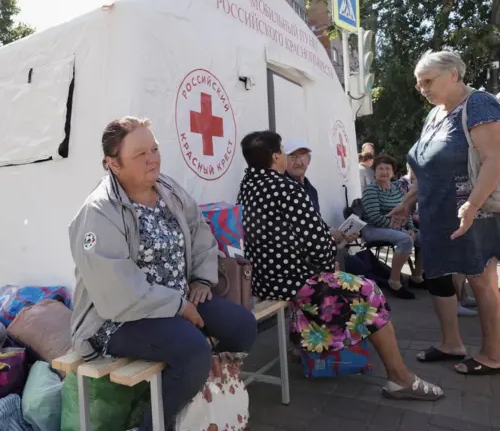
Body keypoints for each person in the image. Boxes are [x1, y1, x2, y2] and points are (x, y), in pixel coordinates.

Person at [68, 116, 258, 429]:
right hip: (118, 318)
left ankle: (204, 397)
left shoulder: (168, 189)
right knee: (193, 351)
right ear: (113, 164)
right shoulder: (99, 212)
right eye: (140, 154)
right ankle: (155, 422)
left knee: (242, 326)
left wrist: (200, 278)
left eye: (154, 149)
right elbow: (118, 291)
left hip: (177, 298)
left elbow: (199, 231)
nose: (152, 158)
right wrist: (180, 306)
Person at [237, 130, 443, 401]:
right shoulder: (285, 187)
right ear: (276, 157)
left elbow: (287, 233)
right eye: (286, 152)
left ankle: (312, 347)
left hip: (262, 278)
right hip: (291, 281)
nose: (293, 159)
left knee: (349, 283)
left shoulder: (249, 185)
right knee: (369, 291)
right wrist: (328, 264)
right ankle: (400, 378)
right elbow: (317, 242)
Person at [390, 50, 500, 374]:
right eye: (418, 83)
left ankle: (493, 356)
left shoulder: (478, 104)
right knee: (440, 276)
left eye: (428, 80)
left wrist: (473, 204)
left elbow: (495, 158)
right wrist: (409, 199)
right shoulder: (436, 113)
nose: (422, 88)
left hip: (472, 211)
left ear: (453, 74)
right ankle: (452, 344)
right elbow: (425, 164)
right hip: (439, 211)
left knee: (481, 280)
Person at [281, 139, 363, 272]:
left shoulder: (311, 189)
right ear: (283, 161)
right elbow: (299, 231)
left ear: (309, 161)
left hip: (317, 254)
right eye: (292, 157)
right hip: (296, 262)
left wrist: (341, 235)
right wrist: (331, 237)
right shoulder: (284, 188)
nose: (298, 162)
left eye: (302, 156)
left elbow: (315, 222)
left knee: (359, 270)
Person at [361, 155, 424, 299]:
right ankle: (394, 282)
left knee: (423, 237)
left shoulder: (396, 188)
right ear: (374, 172)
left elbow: (405, 210)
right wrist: (400, 230)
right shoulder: (371, 190)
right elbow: (374, 218)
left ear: (393, 172)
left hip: (396, 227)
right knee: (405, 240)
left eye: (387, 169)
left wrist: (410, 228)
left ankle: (417, 277)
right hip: (372, 228)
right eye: (380, 168)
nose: (384, 172)